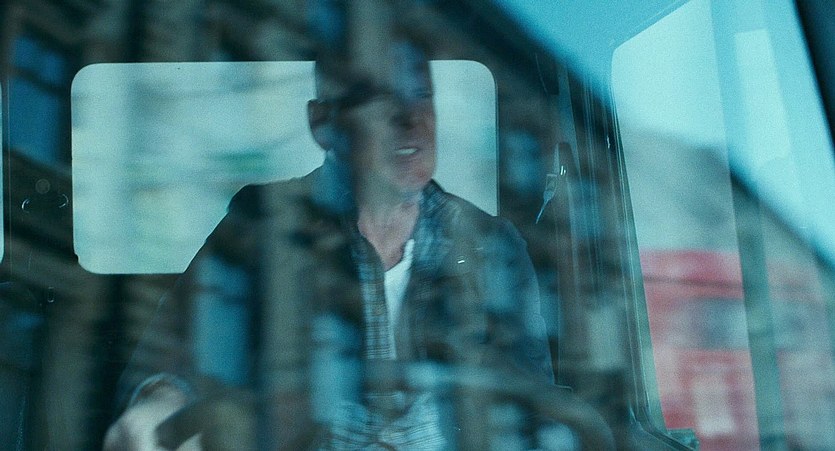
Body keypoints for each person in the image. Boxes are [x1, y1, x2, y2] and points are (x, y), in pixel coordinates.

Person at [104, 38, 552, 450]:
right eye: (381, 99)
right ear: (324, 125)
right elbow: (175, 352)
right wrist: (157, 408)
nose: (410, 118)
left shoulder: (492, 245)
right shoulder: (269, 216)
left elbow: (536, 403)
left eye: (423, 95)